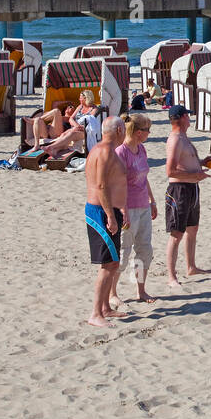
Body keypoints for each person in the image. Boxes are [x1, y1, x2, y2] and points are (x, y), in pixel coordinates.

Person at [84, 116, 127, 327]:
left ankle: (105, 308)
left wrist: (120, 208)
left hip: (109, 210)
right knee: (107, 265)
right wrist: (110, 216)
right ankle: (95, 314)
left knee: (113, 262)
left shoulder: (106, 150)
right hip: (100, 213)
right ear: (119, 130)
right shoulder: (103, 151)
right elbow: (100, 187)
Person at [164, 105, 211, 287]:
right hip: (179, 191)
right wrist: (195, 175)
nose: (190, 118)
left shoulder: (183, 137)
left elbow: (185, 162)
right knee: (176, 233)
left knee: (192, 228)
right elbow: (170, 171)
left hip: (192, 189)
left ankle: (191, 267)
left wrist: (201, 163)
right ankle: (171, 276)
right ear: (182, 117)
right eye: (188, 115)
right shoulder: (175, 139)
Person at [114, 113, 157, 305]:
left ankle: (141, 289)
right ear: (139, 132)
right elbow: (118, 183)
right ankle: (112, 293)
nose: (149, 133)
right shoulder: (121, 152)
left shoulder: (141, 149)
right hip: (128, 208)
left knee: (144, 250)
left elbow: (144, 177)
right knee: (123, 252)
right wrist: (123, 210)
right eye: (148, 130)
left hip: (143, 206)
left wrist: (152, 200)